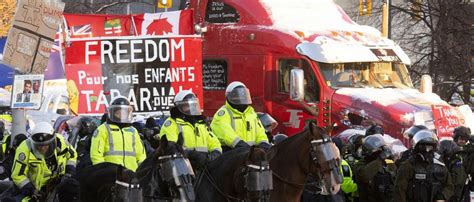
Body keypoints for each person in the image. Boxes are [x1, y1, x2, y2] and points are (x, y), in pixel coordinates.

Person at [11, 122, 78, 201]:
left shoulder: (61, 141)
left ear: (54, 141)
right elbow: (18, 175)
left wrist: (69, 172)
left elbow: (72, 155)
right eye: (39, 146)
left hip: (59, 182)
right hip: (34, 189)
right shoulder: (24, 149)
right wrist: (31, 190)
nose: (43, 149)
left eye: (46, 145)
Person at [160, 90, 222, 172]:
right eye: (187, 106)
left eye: (193, 105)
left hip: (205, 166)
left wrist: (215, 153)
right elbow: (170, 148)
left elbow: (214, 142)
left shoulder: (200, 124)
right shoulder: (172, 124)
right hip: (183, 168)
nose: (191, 108)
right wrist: (191, 154)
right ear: (178, 108)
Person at [393, 130, 454, 202]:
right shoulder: (408, 166)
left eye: (430, 147)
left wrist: (443, 196)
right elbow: (399, 191)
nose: (427, 150)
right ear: (416, 147)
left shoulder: (440, 166)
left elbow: (449, 186)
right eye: (423, 147)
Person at [90, 96, 146, 172]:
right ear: (112, 113)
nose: (121, 115)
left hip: (131, 173)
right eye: (118, 113)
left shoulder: (133, 131)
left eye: (124, 113)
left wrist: (142, 169)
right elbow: (96, 154)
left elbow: (141, 154)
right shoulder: (103, 129)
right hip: (111, 174)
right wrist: (102, 172)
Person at [210, 81, 270, 151]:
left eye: (243, 95)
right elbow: (226, 133)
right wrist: (240, 144)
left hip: (250, 154)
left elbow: (259, 132)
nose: (240, 98)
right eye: (236, 96)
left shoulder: (251, 113)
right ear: (228, 96)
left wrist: (263, 143)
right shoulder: (223, 114)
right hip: (231, 152)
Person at [353, 134, 394, 202]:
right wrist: (379, 159)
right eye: (377, 149)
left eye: (381, 149)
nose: (380, 151)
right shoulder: (361, 164)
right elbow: (365, 176)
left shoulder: (386, 163)